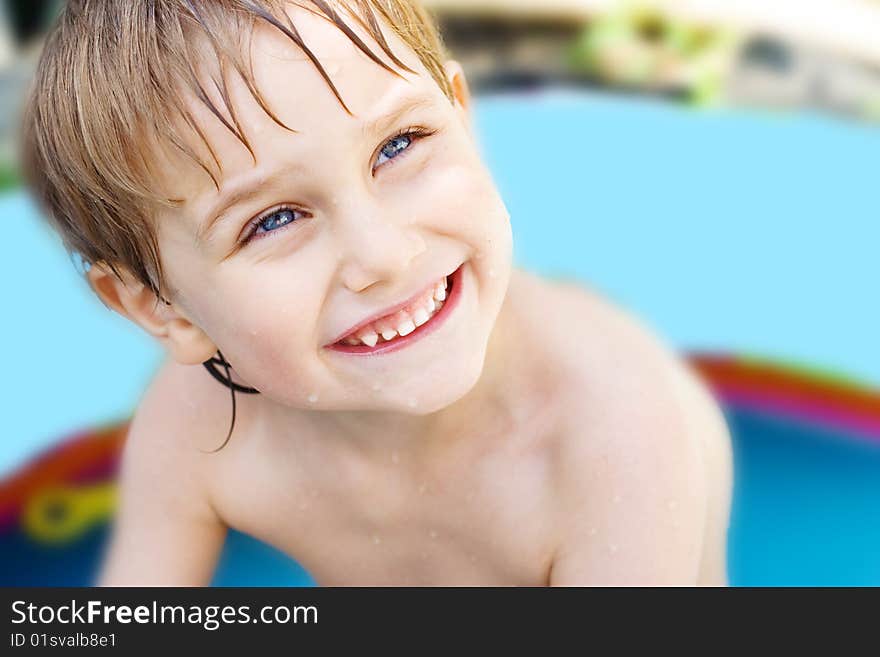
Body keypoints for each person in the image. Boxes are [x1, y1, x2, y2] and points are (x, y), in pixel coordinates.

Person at [22, 0, 732, 586]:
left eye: (400, 144)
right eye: (272, 220)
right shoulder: (199, 427)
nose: (385, 256)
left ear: (463, 115)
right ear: (162, 307)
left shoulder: (613, 439)